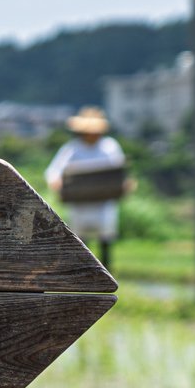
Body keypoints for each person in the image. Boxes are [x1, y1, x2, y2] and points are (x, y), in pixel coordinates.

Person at [44, 106, 129, 269]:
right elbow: (54, 170)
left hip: (104, 203)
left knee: (105, 238)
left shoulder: (110, 146)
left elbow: (120, 170)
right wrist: (56, 181)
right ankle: (83, 272)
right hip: (79, 203)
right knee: (81, 240)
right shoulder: (72, 148)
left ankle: (107, 273)